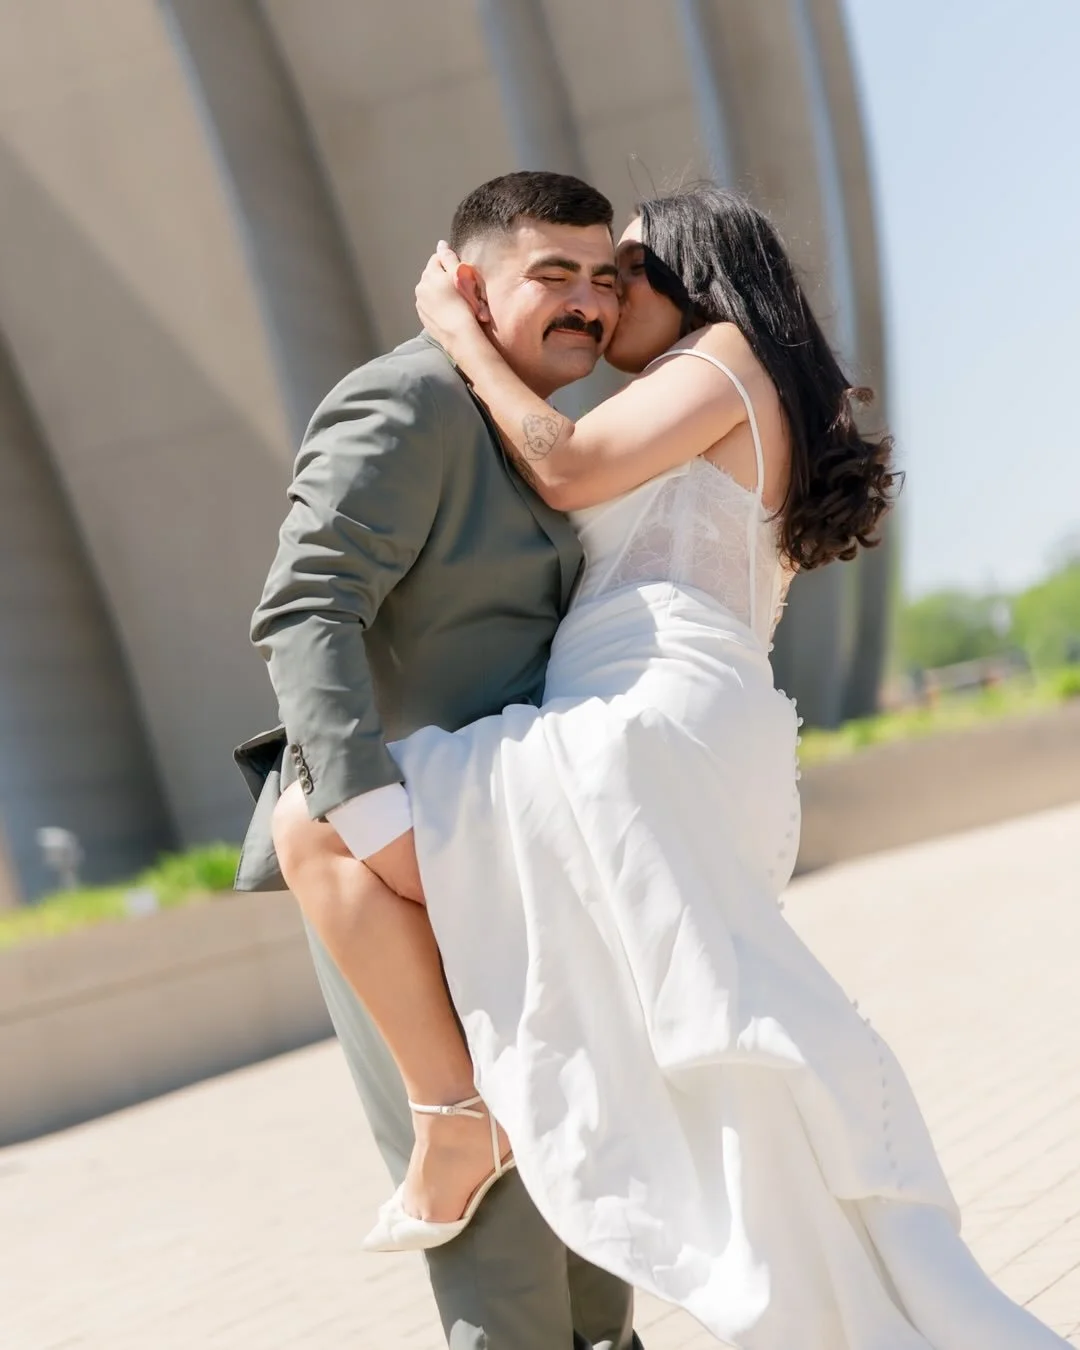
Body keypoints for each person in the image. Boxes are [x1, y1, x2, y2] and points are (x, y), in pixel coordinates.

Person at [273, 184, 1070, 1350]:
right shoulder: (724, 385)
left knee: (317, 822)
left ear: (695, 277)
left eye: (625, 273)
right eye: (579, 278)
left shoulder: (721, 358)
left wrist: (456, 332)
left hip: (643, 722)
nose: (604, 302)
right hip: (682, 721)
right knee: (708, 1064)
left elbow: (563, 467)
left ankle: (460, 1114)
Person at [235, 171, 642, 1350]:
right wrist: (368, 824)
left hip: (520, 855)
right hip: (403, 872)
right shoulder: (408, 403)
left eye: (601, 281)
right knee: (499, 1259)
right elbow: (304, 606)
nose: (587, 305)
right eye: (551, 276)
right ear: (466, 285)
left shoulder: (545, 433)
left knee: (586, 1241)